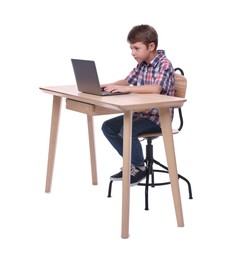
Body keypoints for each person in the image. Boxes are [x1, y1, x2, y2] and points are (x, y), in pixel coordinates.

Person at [101, 24, 175, 186]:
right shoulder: (142, 64)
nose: (132, 53)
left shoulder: (164, 64)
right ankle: (133, 164)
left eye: (136, 48)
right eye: (131, 48)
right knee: (108, 127)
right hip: (141, 113)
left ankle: (139, 167)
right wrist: (107, 85)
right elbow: (127, 81)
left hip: (157, 118)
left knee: (128, 130)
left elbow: (156, 88)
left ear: (151, 46)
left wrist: (125, 88)